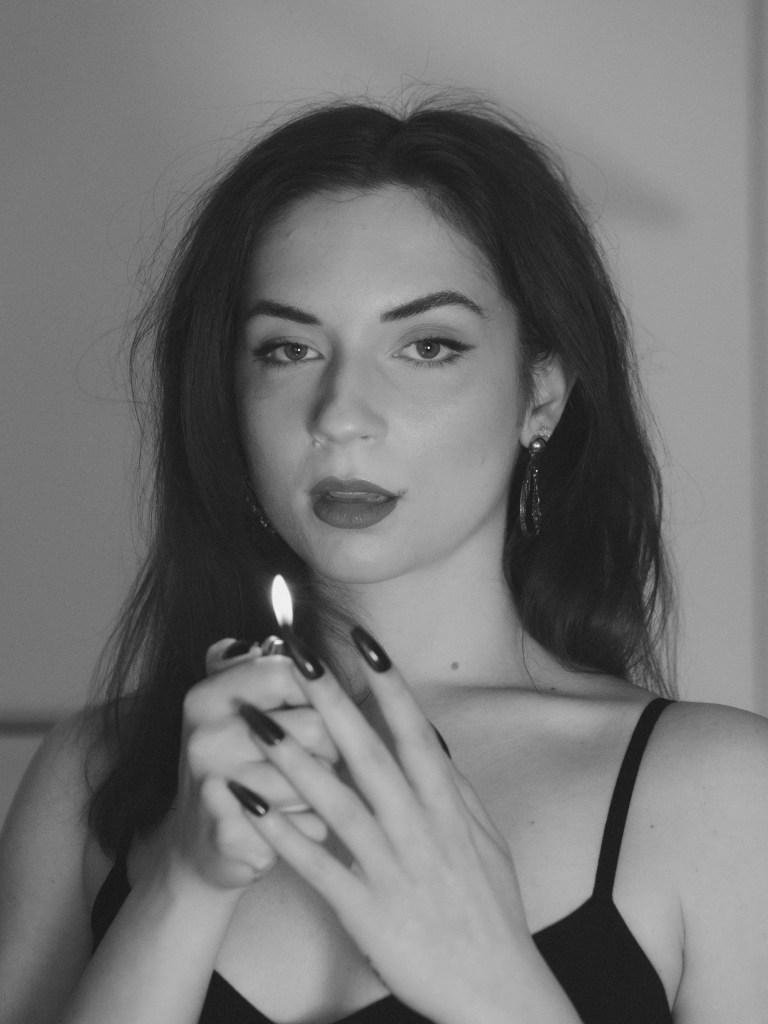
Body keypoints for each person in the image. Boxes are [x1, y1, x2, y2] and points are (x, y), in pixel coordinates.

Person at [1, 96, 767, 1024]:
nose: (341, 414)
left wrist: (495, 984)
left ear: (540, 396)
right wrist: (180, 888)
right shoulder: (89, 776)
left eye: (426, 346)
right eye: (288, 349)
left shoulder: (723, 793)